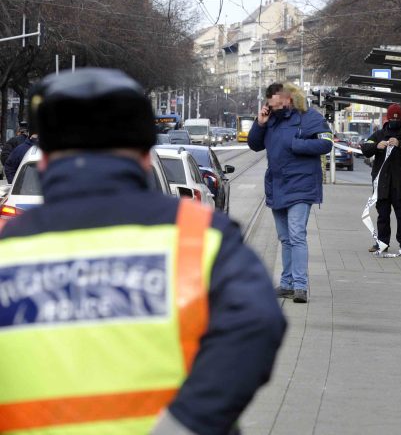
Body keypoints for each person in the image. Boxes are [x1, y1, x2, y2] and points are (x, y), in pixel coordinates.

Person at [0, 69, 286, 435]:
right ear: (143, 154)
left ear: (43, 158)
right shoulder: (198, 235)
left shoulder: (9, 251)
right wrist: (186, 423)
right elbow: (257, 326)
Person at [248, 82, 333, 304]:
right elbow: (254, 145)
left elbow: (326, 143)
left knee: (296, 235)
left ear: (288, 97)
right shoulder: (271, 121)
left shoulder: (309, 117)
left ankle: (300, 286)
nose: (269, 100)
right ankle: (286, 283)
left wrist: (297, 144)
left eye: (273, 96)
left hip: (301, 185)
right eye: (268, 97)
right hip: (278, 185)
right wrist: (260, 123)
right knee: (285, 238)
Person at [361, 103, 401, 258]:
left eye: (397, 118)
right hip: (383, 184)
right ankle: (382, 243)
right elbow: (365, 149)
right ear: (388, 118)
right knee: (382, 215)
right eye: (392, 118)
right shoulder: (380, 134)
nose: (395, 121)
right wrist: (377, 146)